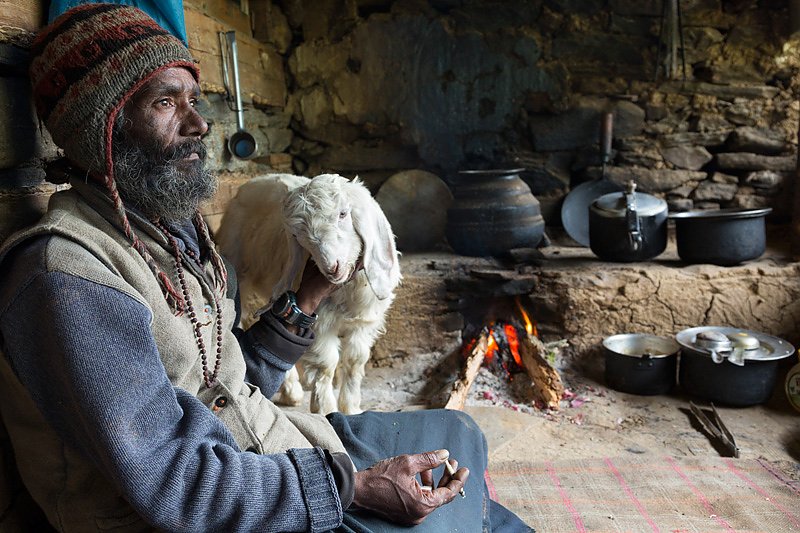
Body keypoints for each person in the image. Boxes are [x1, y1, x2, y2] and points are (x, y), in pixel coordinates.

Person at [0, 4, 532, 532]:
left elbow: (224, 382)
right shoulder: (67, 279)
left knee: (458, 436)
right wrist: (354, 488)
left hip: (258, 446)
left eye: (194, 100)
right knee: (446, 515)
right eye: (166, 102)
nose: (198, 123)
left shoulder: (163, 231)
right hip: (206, 508)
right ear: (102, 127)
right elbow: (173, 483)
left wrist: (309, 296)